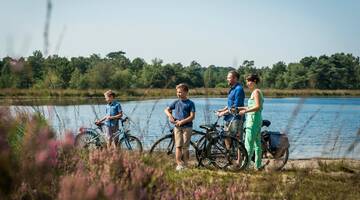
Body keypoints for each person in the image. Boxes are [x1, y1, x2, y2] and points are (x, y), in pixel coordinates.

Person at [164, 83, 196, 171]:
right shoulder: (176, 102)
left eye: (180, 92)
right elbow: (166, 109)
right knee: (178, 146)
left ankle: (185, 165)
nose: (178, 94)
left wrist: (182, 121)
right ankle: (179, 164)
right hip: (177, 127)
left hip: (187, 127)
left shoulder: (190, 103)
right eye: (177, 92)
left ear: (186, 92)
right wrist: (170, 116)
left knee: (185, 146)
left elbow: (192, 117)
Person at [238, 74, 264, 170]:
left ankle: (246, 167)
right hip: (256, 120)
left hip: (253, 121)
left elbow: (257, 107)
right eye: (247, 81)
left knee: (248, 144)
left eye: (250, 81)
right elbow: (253, 106)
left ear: (255, 81)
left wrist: (245, 111)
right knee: (257, 144)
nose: (248, 83)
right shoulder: (256, 92)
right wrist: (239, 108)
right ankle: (258, 166)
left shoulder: (256, 92)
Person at [216, 70, 245, 146]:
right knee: (226, 136)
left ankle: (239, 157)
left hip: (236, 118)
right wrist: (223, 110)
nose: (227, 79)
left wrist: (223, 113)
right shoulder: (231, 89)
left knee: (237, 139)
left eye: (229, 78)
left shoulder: (239, 89)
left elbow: (235, 107)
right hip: (228, 117)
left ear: (235, 78)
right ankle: (229, 154)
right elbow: (230, 104)